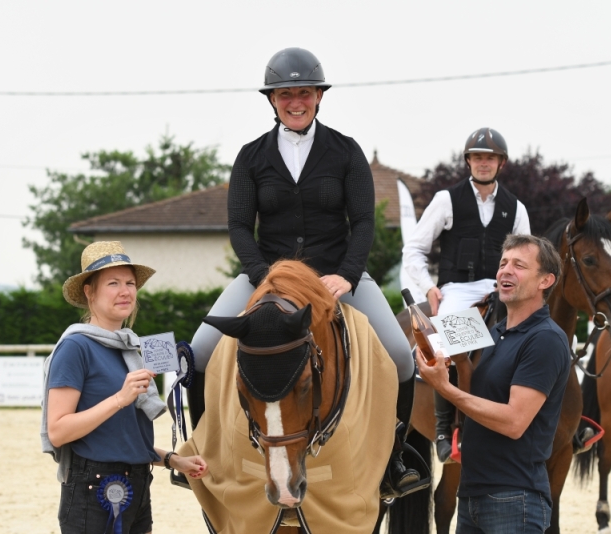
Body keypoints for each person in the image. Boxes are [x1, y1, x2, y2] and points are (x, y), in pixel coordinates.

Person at [183, 47, 421, 497]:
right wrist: (260, 274)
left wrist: (349, 274)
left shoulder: (346, 152)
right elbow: (238, 225)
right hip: (266, 276)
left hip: (336, 276)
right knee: (197, 352)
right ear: (272, 100)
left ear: (319, 97)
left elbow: (364, 222)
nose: (296, 101)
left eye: (305, 93)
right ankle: (199, 449)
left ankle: (396, 459)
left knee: (399, 354)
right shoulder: (251, 157)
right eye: (286, 93)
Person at [41, 241, 208, 534]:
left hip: (137, 487)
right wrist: (120, 398)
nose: (125, 291)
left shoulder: (130, 348)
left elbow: (120, 438)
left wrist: (172, 460)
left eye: (130, 283)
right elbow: (58, 430)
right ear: (89, 292)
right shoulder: (75, 347)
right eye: (113, 283)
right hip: (94, 491)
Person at [417, 234, 569, 534]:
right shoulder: (495, 330)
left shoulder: (546, 338)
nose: (505, 270)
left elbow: (514, 421)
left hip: (515, 498)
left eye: (519, 265)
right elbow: (481, 398)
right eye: (503, 263)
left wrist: (445, 389)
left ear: (545, 280)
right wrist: (461, 363)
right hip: (472, 494)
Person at [402, 127, 530, 462]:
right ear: (468, 161)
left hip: (499, 286)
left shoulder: (515, 207)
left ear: (500, 163)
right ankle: (445, 429)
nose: (483, 163)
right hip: (457, 289)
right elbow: (414, 249)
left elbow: (529, 258)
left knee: (539, 334)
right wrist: (428, 288)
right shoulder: (446, 199)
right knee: (447, 342)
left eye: (490, 158)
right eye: (477, 157)